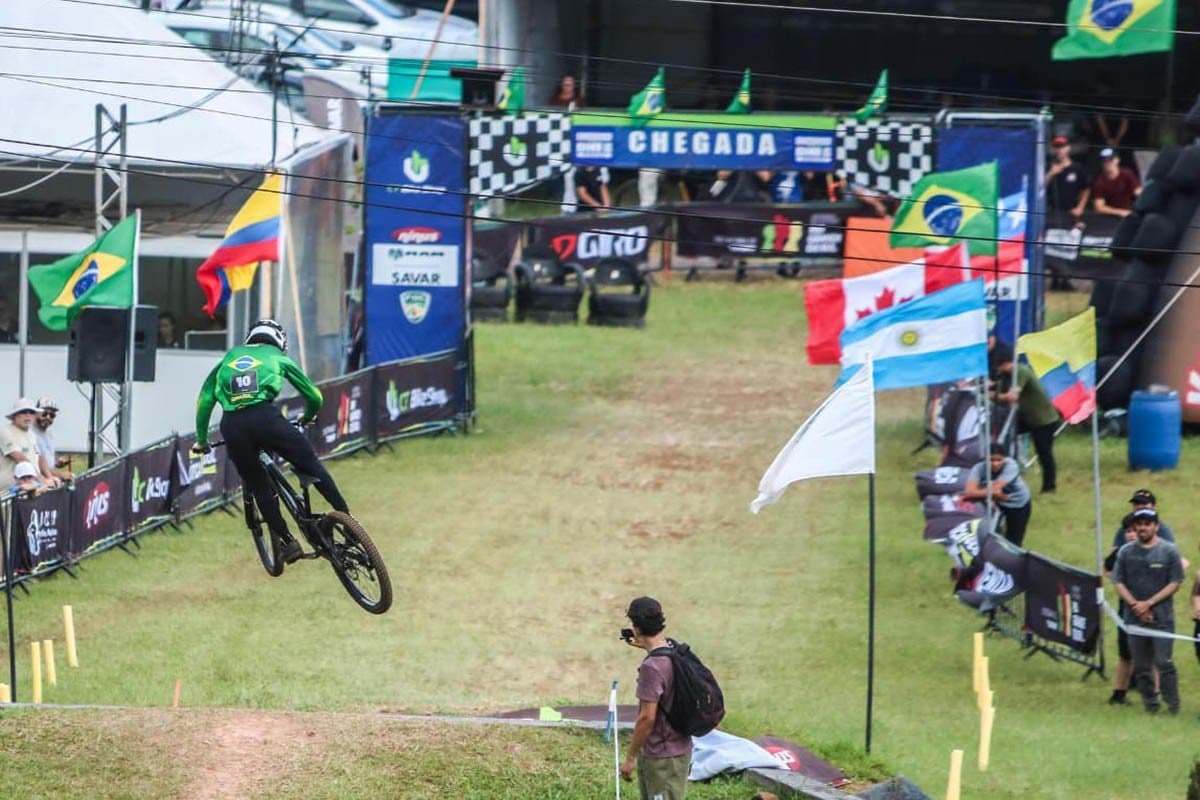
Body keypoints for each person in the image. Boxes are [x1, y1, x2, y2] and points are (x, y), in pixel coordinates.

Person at [193, 320, 350, 565]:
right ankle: (348, 521)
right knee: (310, 464)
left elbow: (204, 401)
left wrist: (202, 440)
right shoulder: (277, 356)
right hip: (265, 418)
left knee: (258, 484)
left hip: (233, 425)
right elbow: (314, 396)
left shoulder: (229, 358)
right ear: (279, 342)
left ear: (250, 339)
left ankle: (288, 542)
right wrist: (308, 417)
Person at [1105, 490, 1182, 705]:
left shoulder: (1168, 548)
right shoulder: (1126, 551)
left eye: (1147, 523)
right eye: (1137, 524)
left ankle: (1171, 703)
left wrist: (1148, 603)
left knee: (1162, 661)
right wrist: (1134, 604)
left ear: (1156, 525)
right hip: (1131, 613)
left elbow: (1176, 580)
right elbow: (1115, 576)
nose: (1141, 528)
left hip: (1161, 616)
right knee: (1138, 663)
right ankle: (1150, 704)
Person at [621, 596, 692, 800]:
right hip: (676, 749)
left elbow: (647, 718)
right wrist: (643, 645)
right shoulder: (674, 649)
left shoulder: (651, 667)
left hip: (663, 757)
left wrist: (630, 758)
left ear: (636, 627)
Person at [989, 341, 1059, 493]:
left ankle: (1049, 487)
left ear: (1006, 363)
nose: (997, 370)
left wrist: (994, 396)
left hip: (1044, 420)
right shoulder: (1007, 376)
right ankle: (1008, 471)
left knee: (1044, 453)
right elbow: (997, 386)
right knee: (1004, 437)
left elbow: (1012, 396)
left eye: (999, 366)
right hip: (1027, 419)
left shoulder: (1021, 372)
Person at [961, 449, 1032, 546]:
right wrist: (993, 494)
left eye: (999, 460)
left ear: (1005, 459)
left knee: (1014, 540)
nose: (995, 464)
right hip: (996, 502)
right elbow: (969, 492)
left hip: (1018, 503)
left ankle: (1010, 559)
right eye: (991, 460)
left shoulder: (1011, 466)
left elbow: (995, 489)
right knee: (988, 533)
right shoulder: (979, 468)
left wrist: (980, 493)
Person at [0, 398, 59, 491]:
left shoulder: (31, 434)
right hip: (9, 492)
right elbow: (20, 459)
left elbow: (39, 457)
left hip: (30, 490)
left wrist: (49, 477)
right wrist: (42, 480)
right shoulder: (6, 432)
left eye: (31, 412)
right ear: (15, 415)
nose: (28, 415)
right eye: (23, 412)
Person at [1045, 136, 1089, 222]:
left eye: (1062, 147)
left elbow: (1086, 189)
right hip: (1052, 212)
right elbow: (1039, 189)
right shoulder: (1048, 166)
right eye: (1057, 147)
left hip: (1071, 212)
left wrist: (1080, 207)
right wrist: (1051, 173)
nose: (1060, 150)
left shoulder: (1077, 168)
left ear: (1068, 148)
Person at [1091, 147, 1141, 217]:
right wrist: (1120, 212)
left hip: (1130, 213)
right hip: (1109, 217)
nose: (1107, 163)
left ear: (1117, 160)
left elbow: (1138, 192)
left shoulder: (1127, 174)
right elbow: (1099, 207)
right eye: (1104, 161)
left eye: (1110, 160)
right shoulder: (1100, 182)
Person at [33, 397, 72, 482]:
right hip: (37, 481)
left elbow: (46, 460)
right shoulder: (30, 434)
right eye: (44, 413)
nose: (48, 417)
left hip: (49, 479)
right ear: (36, 413)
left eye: (52, 415)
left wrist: (57, 463)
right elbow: (36, 465)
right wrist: (60, 475)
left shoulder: (49, 435)